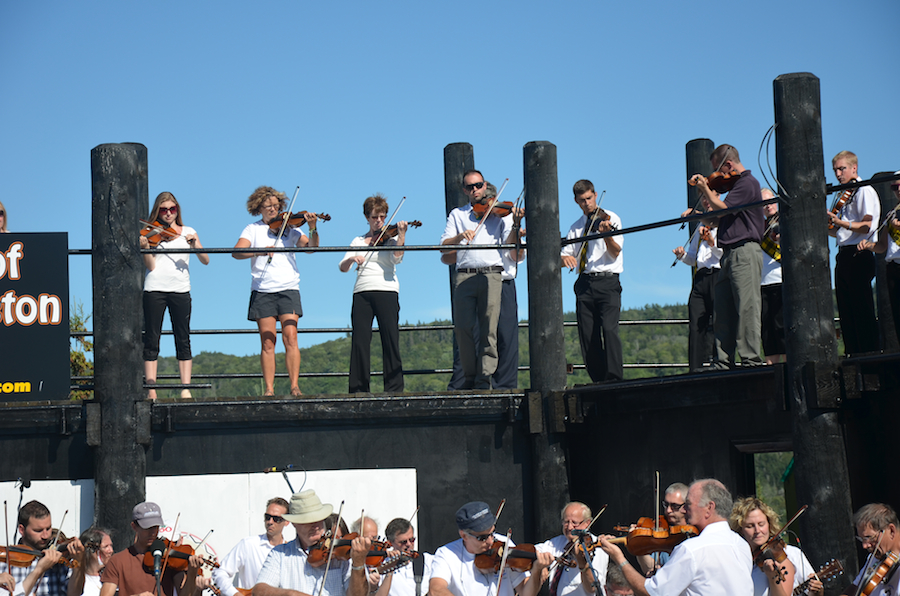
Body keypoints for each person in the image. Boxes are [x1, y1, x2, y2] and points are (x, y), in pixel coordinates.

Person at [598, 478, 753, 596]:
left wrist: (619, 558)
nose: (684, 510)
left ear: (709, 508)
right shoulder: (741, 545)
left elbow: (652, 592)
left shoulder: (693, 549)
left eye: (688, 504)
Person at [440, 171, 523, 389]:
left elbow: (513, 248)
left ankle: (485, 378)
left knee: (490, 330)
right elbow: (443, 247)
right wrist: (459, 237)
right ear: (464, 190)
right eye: (469, 187)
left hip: (492, 273)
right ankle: (469, 377)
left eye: (478, 186)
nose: (475, 190)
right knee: (464, 329)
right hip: (465, 274)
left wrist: (514, 223)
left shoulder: (499, 215)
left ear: (484, 185)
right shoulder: (457, 214)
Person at [234, 186, 319, 397]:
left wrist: (312, 228)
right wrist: (261, 251)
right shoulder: (252, 229)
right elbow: (237, 252)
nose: (273, 209)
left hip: (288, 287)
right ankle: (269, 389)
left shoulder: (291, 229)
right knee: (267, 340)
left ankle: (294, 386)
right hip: (263, 290)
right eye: (268, 206)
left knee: (291, 336)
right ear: (259, 208)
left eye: (276, 205)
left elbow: (311, 248)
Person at [690, 144, 765, 369]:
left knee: (746, 306)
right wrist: (698, 215)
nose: (719, 177)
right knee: (722, 309)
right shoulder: (735, 189)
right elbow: (717, 219)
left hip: (744, 251)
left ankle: (750, 358)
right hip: (729, 253)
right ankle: (723, 360)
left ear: (729, 165)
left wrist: (705, 187)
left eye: (718, 170)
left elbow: (721, 209)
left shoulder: (746, 183)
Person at [140, 192, 209, 400]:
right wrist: (145, 249)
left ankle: (185, 388)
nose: (168, 213)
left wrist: (195, 244)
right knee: (152, 338)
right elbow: (151, 266)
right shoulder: (151, 233)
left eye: (172, 209)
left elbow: (205, 260)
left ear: (177, 210)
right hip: (154, 288)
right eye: (164, 210)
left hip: (181, 289)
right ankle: (151, 389)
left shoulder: (189, 232)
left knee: (183, 336)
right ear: (157, 211)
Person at [339, 194, 406, 394]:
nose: (379, 221)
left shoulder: (391, 238)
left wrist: (401, 235)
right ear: (367, 217)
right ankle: (358, 388)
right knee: (360, 340)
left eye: (382, 217)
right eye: (375, 217)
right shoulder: (358, 240)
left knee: (390, 338)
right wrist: (353, 260)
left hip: (386, 290)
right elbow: (342, 267)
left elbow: (397, 258)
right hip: (362, 291)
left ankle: (394, 388)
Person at [560, 179, 624, 382]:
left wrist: (607, 235)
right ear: (576, 201)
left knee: (609, 329)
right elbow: (563, 256)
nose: (586, 203)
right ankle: (598, 379)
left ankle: (614, 377)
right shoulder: (576, 227)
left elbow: (615, 252)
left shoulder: (611, 218)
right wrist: (564, 258)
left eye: (589, 198)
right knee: (587, 334)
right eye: (582, 200)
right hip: (585, 281)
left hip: (608, 281)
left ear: (595, 195)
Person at [253, 490, 370, 596]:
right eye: (308, 521)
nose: (315, 526)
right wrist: (291, 594)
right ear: (294, 523)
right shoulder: (280, 554)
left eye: (319, 519)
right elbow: (259, 591)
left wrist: (358, 563)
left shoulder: (342, 555)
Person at [429, 501, 551, 596]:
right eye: (482, 538)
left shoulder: (504, 544)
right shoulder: (447, 554)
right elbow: (436, 589)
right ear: (464, 535)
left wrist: (536, 571)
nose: (490, 541)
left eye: (492, 533)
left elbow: (527, 593)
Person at [828, 151, 881, 355]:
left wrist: (840, 222)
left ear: (854, 168)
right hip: (844, 253)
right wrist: (826, 225)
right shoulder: (845, 194)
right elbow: (840, 232)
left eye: (842, 169)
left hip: (860, 253)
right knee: (846, 311)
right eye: (835, 170)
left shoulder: (863, 190)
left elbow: (867, 225)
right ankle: (853, 354)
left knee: (862, 310)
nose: (838, 174)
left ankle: (869, 358)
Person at [100, 502, 202, 596]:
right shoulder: (118, 561)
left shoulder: (169, 559)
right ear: (134, 526)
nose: (153, 532)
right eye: (147, 527)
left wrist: (192, 572)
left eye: (155, 527)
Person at [729, 497, 820, 596]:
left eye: (761, 524)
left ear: (769, 524)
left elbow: (815, 593)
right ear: (741, 529)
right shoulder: (737, 559)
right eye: (750, 526)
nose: (757, 531)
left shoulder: (791, 554)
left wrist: (818, 591)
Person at [673, 198, 722, 372]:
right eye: (704, 199)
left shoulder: (724, 223)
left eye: (710, 197)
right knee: (696, 322)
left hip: (718, 274)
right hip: (700, 278)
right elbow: (693, 258)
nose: (707, 201)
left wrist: (711, 242)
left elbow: (725, 253)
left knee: (719, 321)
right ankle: (695, 366)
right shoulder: (698, 228)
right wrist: (682, 255)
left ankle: (720, 363)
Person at [211, 498, 290, 596]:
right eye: (267, 517)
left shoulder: (290, 552)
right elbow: (220, 571)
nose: (270, 521)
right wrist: (234, 594)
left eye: (276, 519)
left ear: (287, 522)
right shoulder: (249, 545)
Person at [857, 172, 900, 347]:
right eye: (894, 187)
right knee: (897, 313)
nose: (898, 190)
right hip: (893, 268)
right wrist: (869, 245)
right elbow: (883, 245)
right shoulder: (892, 214)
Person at [8, 500, 84, 596]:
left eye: (48, 528)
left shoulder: (58, 559)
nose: (45, 535)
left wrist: (79, 563)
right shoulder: (6, 560)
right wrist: (39, 570)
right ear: (22, 530)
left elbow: (74, 594)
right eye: (38, 530)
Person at [535, 502, 608, 596]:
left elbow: (592, 588)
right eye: (566, 522)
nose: (569, 527)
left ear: (587, 523)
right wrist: (539, 565)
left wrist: (582, 563)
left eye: (574, 523)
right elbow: (532, 550)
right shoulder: (557, 542)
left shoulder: (596, 547)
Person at [841, 503, 900, 596]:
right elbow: (855, 588)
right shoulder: (876, 557)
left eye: (869, 537)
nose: (865, 545)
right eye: (862, 539)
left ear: (891, 531)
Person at [634, 483, 690, 576]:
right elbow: (649, 568)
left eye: (674, 506)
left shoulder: (694, 534)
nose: (668, 510)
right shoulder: (660, 531)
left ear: (686, 506)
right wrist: (638, 544)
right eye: (666, 505)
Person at [758, 190, 785, 365]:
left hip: (781, 280)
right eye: (763, 203)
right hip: (762, 284)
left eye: (771, 201)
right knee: (767, 331)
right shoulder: (758, 226)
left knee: (782, 328)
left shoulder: (787, 220)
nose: (768, 205)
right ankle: (771, 370)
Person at [373, 518, 432, 596]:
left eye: (412, 540)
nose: (409, 544)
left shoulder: (428, 560)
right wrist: (391, 567)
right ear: (390, 543)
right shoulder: (382, 565)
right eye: (403, 542)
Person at [67, 527, 114, 596]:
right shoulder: (75, 575)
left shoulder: (112, 574)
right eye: (106, 546)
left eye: (111, 546)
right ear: (92, 551)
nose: (111, 550)